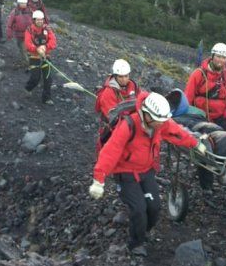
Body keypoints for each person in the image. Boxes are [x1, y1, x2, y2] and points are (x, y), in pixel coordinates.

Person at [89, 92, 207, 257]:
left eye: (163, 121)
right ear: (146, 115)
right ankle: (136, 243)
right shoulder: (128, 125)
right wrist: (98, 180)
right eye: (158, 121)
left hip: (146, 170)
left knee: (154, 207)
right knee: (138, 209)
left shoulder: (160, 123)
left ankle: (145, 230)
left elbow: (176, 132)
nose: (161, 125)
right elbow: (110, 152)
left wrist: (195, 143)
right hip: (126, 173)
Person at [184, 42, 226, 131]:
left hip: (219, 118)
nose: (221, 60)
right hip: (199, 117)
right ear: (212, 56)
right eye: (218, 56)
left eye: (224, 58)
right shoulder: (198, 74)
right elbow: (188, 97)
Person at [24, 10, 56, 104]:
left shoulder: (47, 29)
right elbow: (27, 44)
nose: (40, 21)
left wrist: (45, 47)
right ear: (34, 20)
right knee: (35, 78)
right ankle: (28, 88)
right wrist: (37, 49)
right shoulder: (29, 30)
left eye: (41, 20)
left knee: (48, 78)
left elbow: (53, 41)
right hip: (34, 57)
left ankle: (46, 98)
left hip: (46, 56)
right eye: (38, 20)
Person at [6, 0, 33, 65]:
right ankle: (26, 63)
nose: (23, 4)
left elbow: (34, 21)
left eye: (24, 3)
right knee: (22, 49)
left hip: (29, 33)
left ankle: (31, 61)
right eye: (22, 3)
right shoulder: (14, 12)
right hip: (19, 35)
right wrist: (9, 33)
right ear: (18, 3)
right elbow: (10, 24)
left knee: (29, 48)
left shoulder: (30, 11)